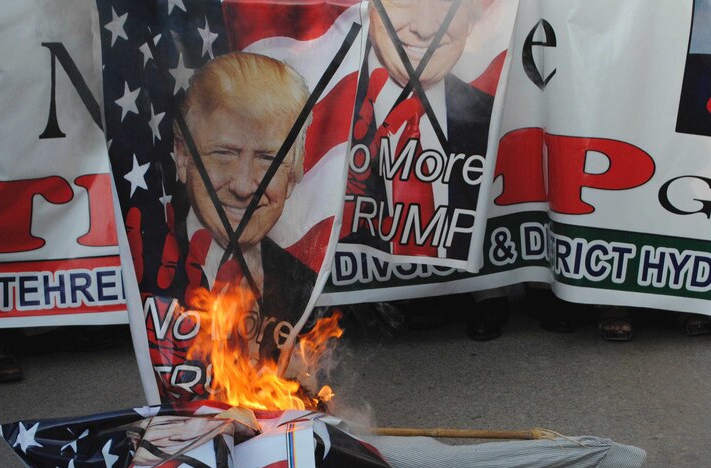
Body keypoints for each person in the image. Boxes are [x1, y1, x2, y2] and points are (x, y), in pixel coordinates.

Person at [344, 0, 508, 340]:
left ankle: (482, 292)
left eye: (446, 5)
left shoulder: (495, 117)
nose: (426, 26)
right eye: (403, 2)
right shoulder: (328, 122)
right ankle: (408, 291)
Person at [169, 52, 317, 330]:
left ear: (294, 171)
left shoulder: (302, 281)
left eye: (268, 159)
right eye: (224, 154)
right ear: (182, 156)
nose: (243, 186)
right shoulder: (150, 268)